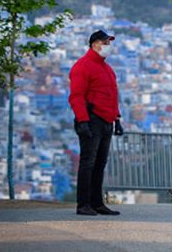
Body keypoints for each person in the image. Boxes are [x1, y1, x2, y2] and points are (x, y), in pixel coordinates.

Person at [68, 30, 124, 216]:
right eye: (105, 42)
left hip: (107, 120)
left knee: (100, 163)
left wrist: (117, 119)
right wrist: (83, 121)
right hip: (91, 119)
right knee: (88, 163)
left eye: (109, 42)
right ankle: (83, 204)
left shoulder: (107, 69)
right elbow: (76, 96)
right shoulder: (82, 66)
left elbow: (112, 95)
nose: (108, 46)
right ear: (94, 44)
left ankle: (97, 203)